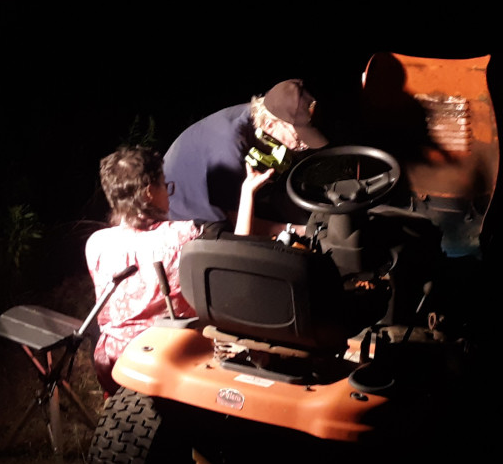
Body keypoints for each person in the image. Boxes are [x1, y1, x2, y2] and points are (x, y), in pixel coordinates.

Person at [86, 146, 271, 396]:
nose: (169, 193)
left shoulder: (96, 243)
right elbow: (237, 254)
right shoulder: (184, 235)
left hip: (112, 362)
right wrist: (247, 192)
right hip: (169, 362)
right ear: (149, 193)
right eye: (165, 185)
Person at [164, 79, 328, 233]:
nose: (303, 146)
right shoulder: (230, 144)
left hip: (225, 202)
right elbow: (240, 224)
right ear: (270, 124)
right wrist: (300, 231)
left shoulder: (259, 120)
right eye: (298, 139)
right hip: (187, 220)